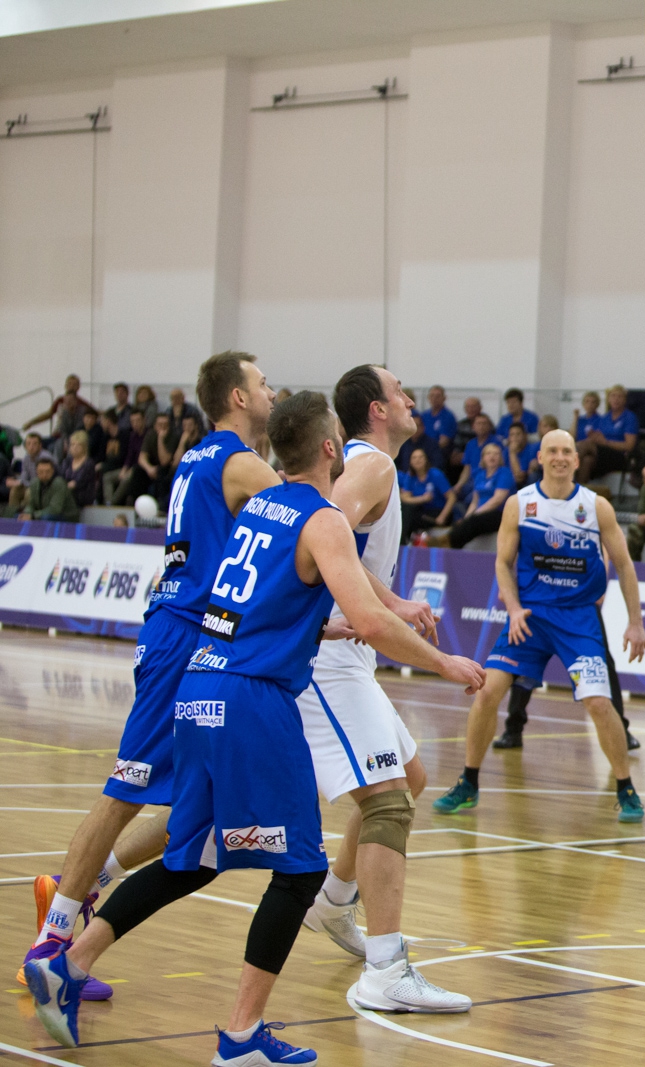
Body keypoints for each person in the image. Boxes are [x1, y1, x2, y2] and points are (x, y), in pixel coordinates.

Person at [25, 390, 484, 1062]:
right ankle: (241, 1036)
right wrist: (442, 659)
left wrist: (318, 622)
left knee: (192, 855)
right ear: (331, 448)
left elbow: (241, 600)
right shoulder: (323, 519)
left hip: (202, 684)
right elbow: (379, 620)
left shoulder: (256, 510)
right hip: (254, 702)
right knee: (299, 873)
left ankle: (68, 959)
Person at [17, 353, 281, 1006]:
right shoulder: (237, 462)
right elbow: (305, 515)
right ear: (237, 398)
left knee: (201, 806)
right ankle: (52, 944)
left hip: (204, 639)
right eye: (263, 381)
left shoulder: (198, 457)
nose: (271, 388)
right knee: (128, 786)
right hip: (183, 636)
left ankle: (80, 894)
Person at [294, 366, 470, 1012]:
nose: (410, 399)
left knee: (411, 776)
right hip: (330, 660)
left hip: (351, 656)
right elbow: (319, 534)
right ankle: (386, 970)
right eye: (400, 391)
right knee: (390, 802)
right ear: (377, 408)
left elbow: (348, 556)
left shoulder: (371, 466)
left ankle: (335, 901)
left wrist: (392, 598)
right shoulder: (372, 467)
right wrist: (353, 617)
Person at [432, 429, 645, 820]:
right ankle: (468, 782)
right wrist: (513, 608)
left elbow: (625, 565)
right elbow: (501, 563)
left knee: (599, 703)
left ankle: (626, 788)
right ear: (540, 457)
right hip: (530, 616)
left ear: (577, 460)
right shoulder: (520, 503)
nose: (561, 457)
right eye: (553, 451)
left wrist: (636, 622)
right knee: (486, 693)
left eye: (567, 451)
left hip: (578, 618)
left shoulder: (596, 506)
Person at [437, 440, 514, 550]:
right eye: (488, 453)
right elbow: (474, 501)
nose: (492, 456)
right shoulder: (479, 475)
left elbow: (498, 499)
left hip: (500, 513)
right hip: (480, 515)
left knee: (475, 521)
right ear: (483, 458)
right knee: (463, 522)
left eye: (496, 454)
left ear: (500, 457)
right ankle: (448, 543)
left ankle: (447, 542)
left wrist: (477, 513)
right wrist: (467, 518)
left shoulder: (504, 473)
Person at [577, 384, 638, 484]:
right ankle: (577, 495)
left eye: (619, 396)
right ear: (608, 399)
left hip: (620, 456)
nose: (616, 399)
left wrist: (606, 442)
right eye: (613, 396)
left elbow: (629, 446)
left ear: (624, 400)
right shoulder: (605, 418)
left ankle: (561, 478)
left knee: (584, 446)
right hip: (602, 454)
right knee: (587, 460)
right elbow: (598, 438)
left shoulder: (629, 418)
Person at [399, 445, 455, 542]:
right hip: (422, 511)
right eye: (414, 458)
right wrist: (422, 499)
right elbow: (404, 498)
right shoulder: (410, 476)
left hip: (439, 511)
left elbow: (452, 497)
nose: (418, 460)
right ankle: (403, 541)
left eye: (421, 457)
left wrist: (442, 517)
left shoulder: (435, 474)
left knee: (410, 518)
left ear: (426, 460)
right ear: (410, 461)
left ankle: (403, 542)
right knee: (406, 510)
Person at [23, 374, 97, 444]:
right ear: (65, 386)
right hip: (57, 435)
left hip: (72, 437)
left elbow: (95, 413)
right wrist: (31, 423)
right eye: (69, 384)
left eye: (74, 384)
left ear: (78, 387)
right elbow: (49, 414)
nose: (71, 386)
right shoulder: (60, 400)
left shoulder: (82, 404)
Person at [8, 455, 79, 521]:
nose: (44, 475)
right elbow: (31, 504)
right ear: (36, 472)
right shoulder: (34, 483)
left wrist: (33, 516)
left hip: (65, 516)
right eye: (41, 472)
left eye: (47, 472)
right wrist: (27, 513)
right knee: (17, 516)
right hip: (43, 514)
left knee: (45, 517)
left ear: (53, 471)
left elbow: (55, 509)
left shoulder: (59, 483)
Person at [103, 410, 148, 506]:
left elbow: (146, 456)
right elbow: (129, 455)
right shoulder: (132, 436)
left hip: (141, 469)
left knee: (126, 479)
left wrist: (131, 469)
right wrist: (124, 469)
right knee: (107, 477)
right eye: (132, 421)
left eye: (138, 420)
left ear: (144, 420)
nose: (135, 424)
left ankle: (112, 503)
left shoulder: (149, 435)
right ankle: (108, 502)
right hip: (130, 467)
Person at [6, 432, 44, 511]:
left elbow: (42, 480)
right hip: (30, 484)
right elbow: (24, 475)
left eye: (34, 444)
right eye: (28, 444)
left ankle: (26, 516)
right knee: (15, 490)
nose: (31, 447)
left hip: (43, 487)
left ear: (40, 446)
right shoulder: (26, 458)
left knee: (29, 492)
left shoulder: (45, 459)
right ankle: (12, 516)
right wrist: (21, 483)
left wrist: (25, 483)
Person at [61, 431, 98, 510]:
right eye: (73, 445)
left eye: (78, 445)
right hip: (67, 492)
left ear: (84, 447)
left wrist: (67, 486)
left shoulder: (89, 463)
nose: (75, 448)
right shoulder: (67, 461)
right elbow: (61, 478)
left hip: (82, 495)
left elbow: (80, 483)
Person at [418, 385, 457, 454]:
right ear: (428, 398)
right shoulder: (424, 415)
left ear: (444, 398)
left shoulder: (448, 416)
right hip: (422, 450)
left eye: (438, 396)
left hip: (439, 452)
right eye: (432, 396)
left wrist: (427, 451)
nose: (434, 399)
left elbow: (444, 442)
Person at [505, 422, 538, 487]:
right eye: (512, 435)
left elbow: (519, 478)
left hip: (524, 486)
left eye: (518, 434)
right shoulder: (505, 451)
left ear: (525, 435)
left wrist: (512, 453)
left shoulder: (532, 449)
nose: (515, 437)